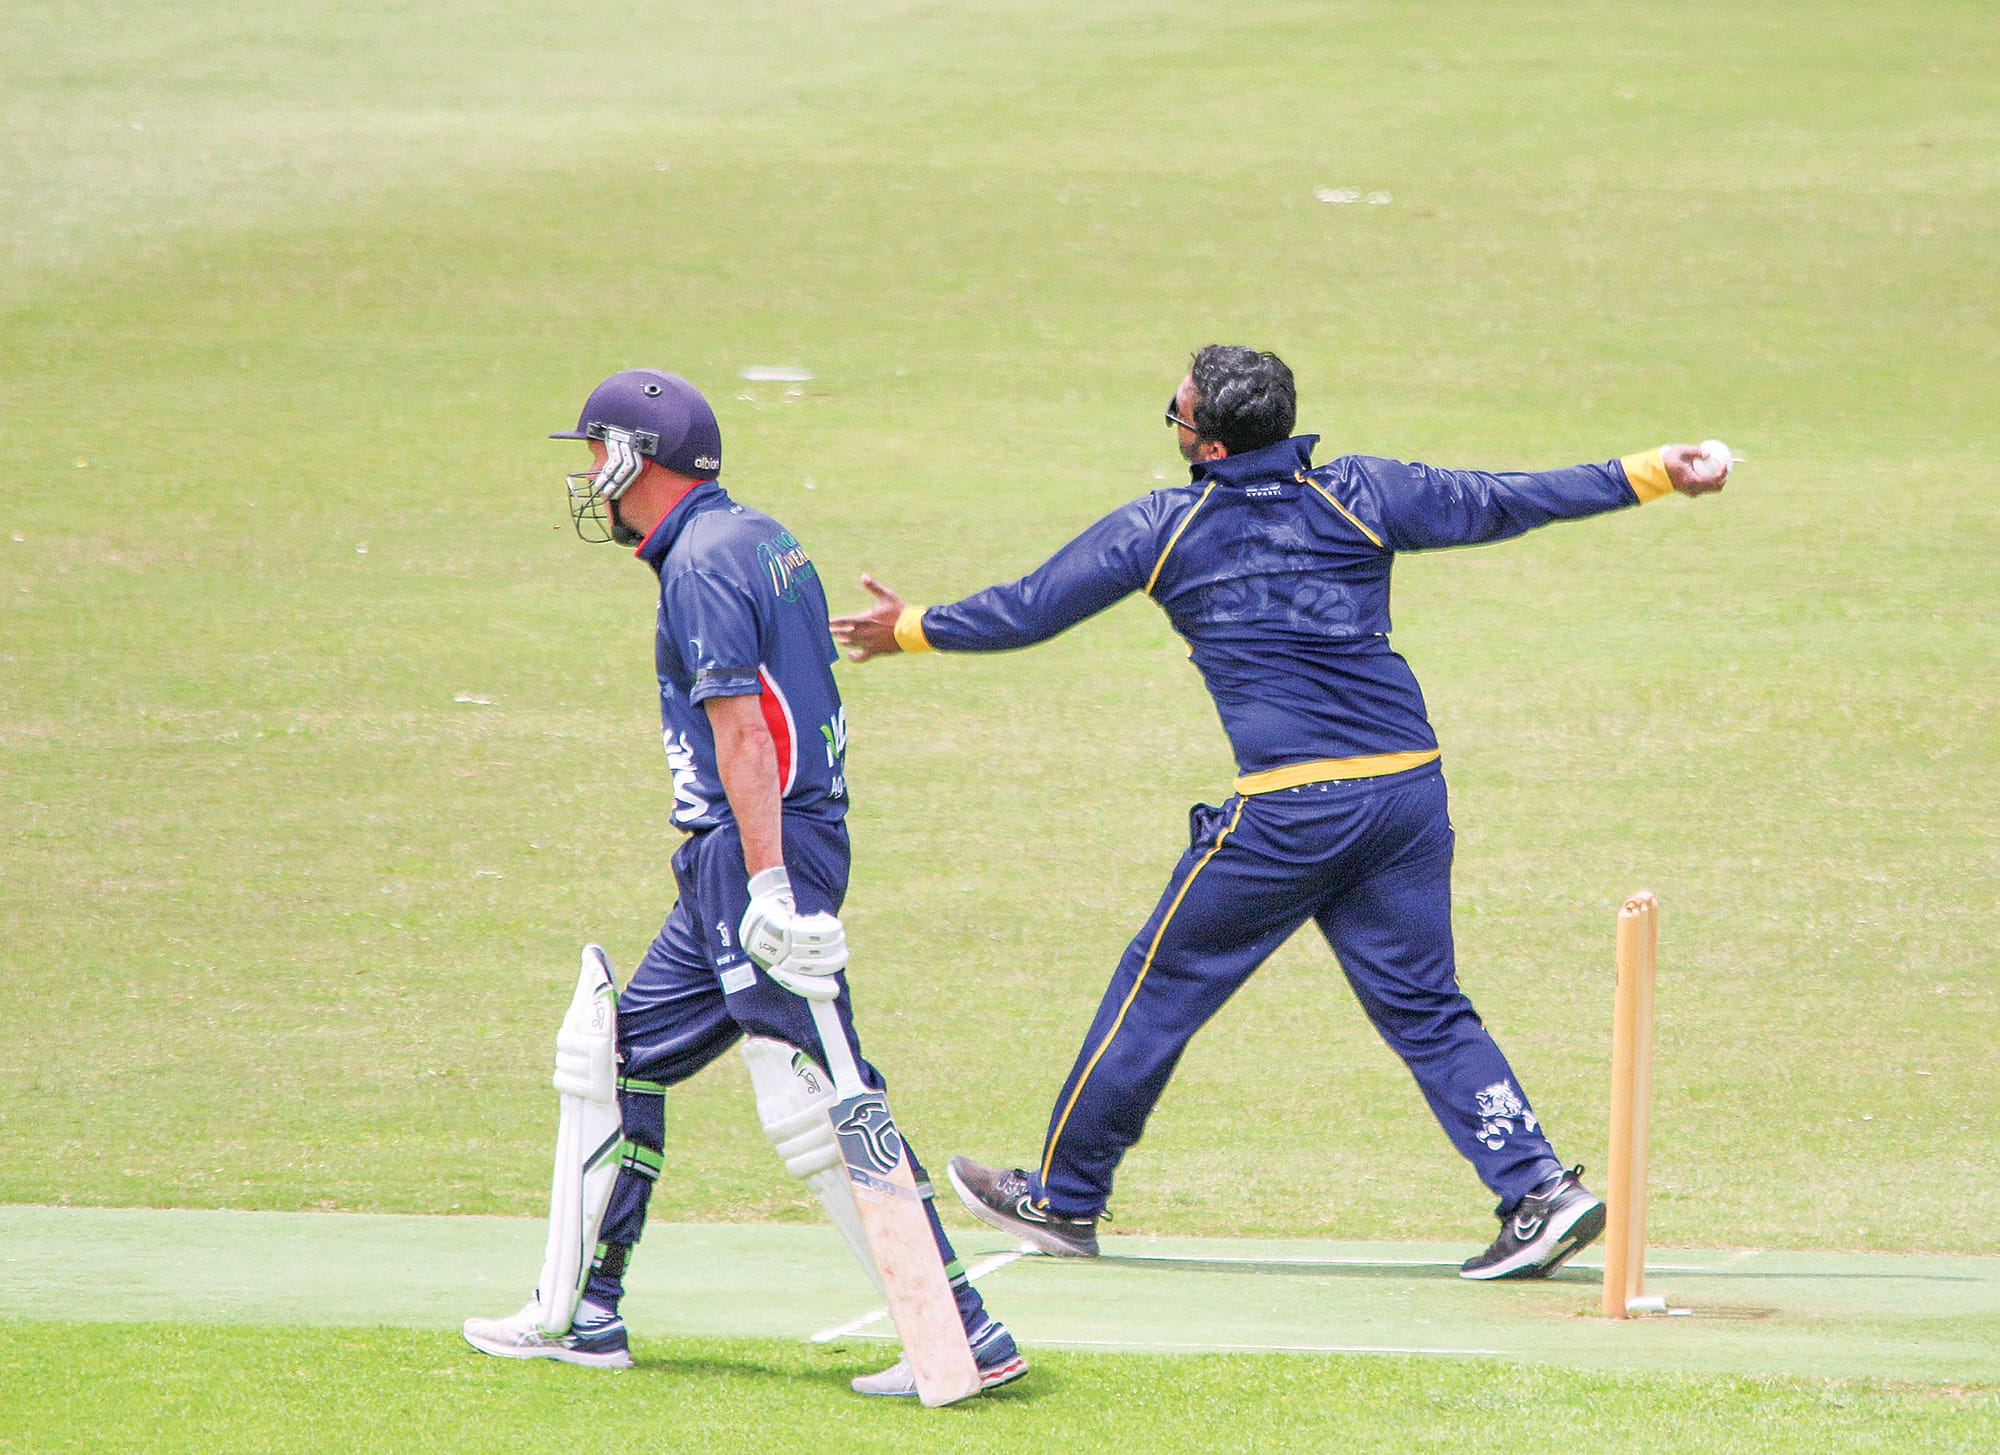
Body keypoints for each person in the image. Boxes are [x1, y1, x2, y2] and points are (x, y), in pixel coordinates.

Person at [830, 344, 1729, 1280]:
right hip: (1407, 793)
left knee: (1160, 985)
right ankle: (1538, 1188)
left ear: (1207, 446)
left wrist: (906, 628)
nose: (1174, 426)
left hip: (1293, 811)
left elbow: (1029, 609)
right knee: (1425, 1004)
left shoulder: (1164, 528)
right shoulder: (1363, 492)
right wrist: (1658, 471)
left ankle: (1064, 1196)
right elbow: (1509, 498)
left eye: (1176, 416)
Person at [461, 368, 1024, 1395]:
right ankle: (582, 1312)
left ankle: (956, 1329)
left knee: (817, 1082)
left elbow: (745, 734)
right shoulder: (757, 536)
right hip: (756, 849)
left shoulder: (702, 569)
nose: (589, 476)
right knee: (615, 1056)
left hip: (756, 848)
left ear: (638, 456)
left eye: (596, 452)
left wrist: (765, 886)